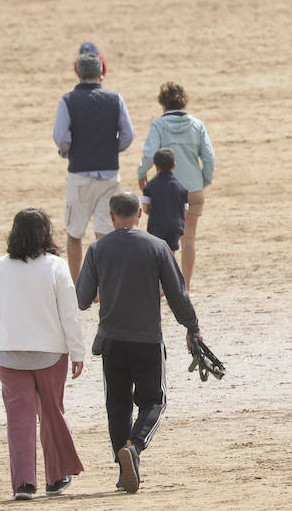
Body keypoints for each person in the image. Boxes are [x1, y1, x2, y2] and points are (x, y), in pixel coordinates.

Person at [75, 191, 201, 495]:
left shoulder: (97, 249)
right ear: (140, 214)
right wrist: (192, 327)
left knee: (117, 406)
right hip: (146, 340)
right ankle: (134, 447)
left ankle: (123, 473)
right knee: (154, 402)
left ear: (111, 216)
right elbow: (177, 294)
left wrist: (103, 288)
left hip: (112, 341)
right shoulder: (157, 247)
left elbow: (81, 300)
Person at [0, 208, 85, 501]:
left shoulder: (1, 265)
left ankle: (24, 485)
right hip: (50, 352)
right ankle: (56, 477)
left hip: (9, 353)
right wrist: (77, 350)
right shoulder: (55, 265)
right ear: (46, 233)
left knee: (19, 420)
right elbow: (69, 313)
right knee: (53, 413)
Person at [55, 45, 134, 281]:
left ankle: (78, 284)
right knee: (104, 234)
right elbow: (128, 135)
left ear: (77, 73)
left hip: (79, 174)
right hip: (109, 174)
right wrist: (112, 150)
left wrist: (70, 151)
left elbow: (60, 137)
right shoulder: (115, 98)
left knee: (74, 234)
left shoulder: (68, 100)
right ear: (101, 73)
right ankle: (104, 284)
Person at [136, 81, 215, 288]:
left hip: (165, 191)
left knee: (164, 239)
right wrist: (203, 180)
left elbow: (149, 153)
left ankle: (167, 286)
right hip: (193, 188)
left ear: (162, 103)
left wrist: (141, 172)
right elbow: (209, 159)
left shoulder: (159, 125)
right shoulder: (197, 124)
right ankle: (186, 286)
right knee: (189, 238)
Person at [139, 149, 188, 255]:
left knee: (157, 255)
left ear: (156, 166)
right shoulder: (181, 187)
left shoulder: (150, 186)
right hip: (175, 226)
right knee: (171, 255)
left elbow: (146, 208)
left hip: (156, 226)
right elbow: (184, 210)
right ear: (174, 166)